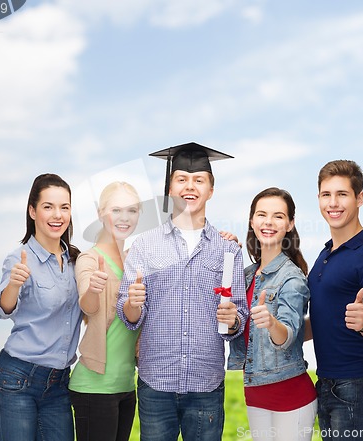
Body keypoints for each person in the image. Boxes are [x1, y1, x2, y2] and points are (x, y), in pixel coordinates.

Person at [116, 142, 249, 441]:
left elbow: (238, 315)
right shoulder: (145, 245)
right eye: (182, 179)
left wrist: (234, 320)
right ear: (170, 187)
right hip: (156, 384)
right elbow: (128, 313)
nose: (190, 186)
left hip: (206, 384)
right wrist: (133, 305)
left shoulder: (227, 250)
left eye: (199, 180)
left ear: (211, 189)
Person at [306, 160, 363, 441]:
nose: (333, 203)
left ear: (359, 198)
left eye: (342, 194)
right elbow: (325, 320)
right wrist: (282, 332)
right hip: (327, 381)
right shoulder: (325, 254)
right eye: (326, 195)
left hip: (357, 382)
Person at [0, 173, 82, 441]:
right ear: (32, 211)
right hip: (17, 379)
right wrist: (14, 285)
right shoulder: (20, 259)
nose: (57, 215)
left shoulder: (75, 259)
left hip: (59, 384)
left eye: (64, 207)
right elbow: (3, 309)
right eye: (48, 206)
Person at [228, 187, 317, 441]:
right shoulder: (245, 275)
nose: (268, 222)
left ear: (290, 224)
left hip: (290, 394)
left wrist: (271, 322)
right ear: (252, 221)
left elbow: (287, 335)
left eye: (278, 216)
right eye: (261, 214)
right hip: (255, 392)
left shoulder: (292, 277)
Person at [68, 181, 142, 441]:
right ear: (101, 212)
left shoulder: (137, 259)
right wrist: (93, 290)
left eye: (132, 211)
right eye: (117, 210)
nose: (125, 218)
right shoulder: (90, 259)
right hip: (94, 387)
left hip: (125, 385)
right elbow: (87, 305)